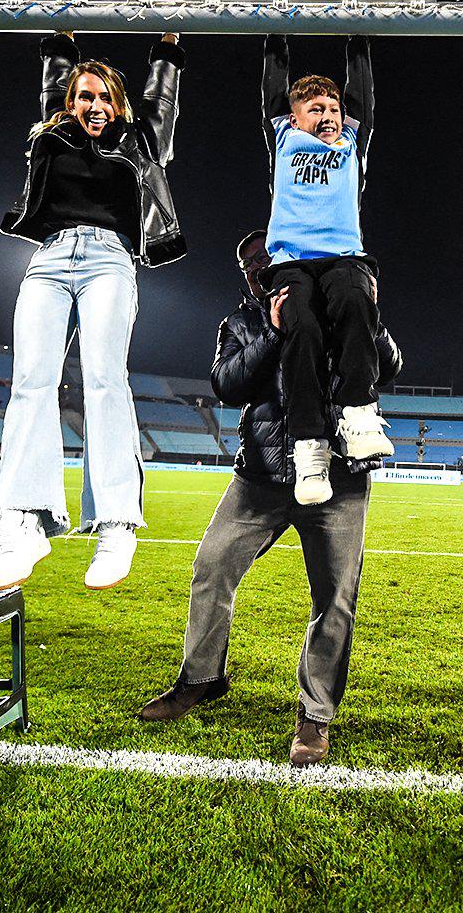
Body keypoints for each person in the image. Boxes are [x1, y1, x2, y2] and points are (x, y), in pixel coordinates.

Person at [139, 230, 401, 767]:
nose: (258, 268)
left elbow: (390, 366)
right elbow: (228, 385)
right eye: (248, 263)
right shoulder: (237, 323)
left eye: (266, 258)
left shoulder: (335, 301)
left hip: (340, 477)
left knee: (335, 599)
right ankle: (202, 678)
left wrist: (369, 316)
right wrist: (275, 334)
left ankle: (316, 715)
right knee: (212, 567)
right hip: (259, 476)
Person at [0, 0, 187, 592]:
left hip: (108, 261)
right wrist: (60, 27)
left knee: (104, 379)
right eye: (84, 96)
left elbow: (161, 95)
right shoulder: (53, 134)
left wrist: (170, 35)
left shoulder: (142, 138)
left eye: (104, 97)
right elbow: (53, 78)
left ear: (119, 105)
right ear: (70, 102)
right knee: (31, 383)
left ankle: (116, 523)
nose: (94, 104)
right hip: (48, 259)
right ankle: (21, 525)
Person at [258, 35, 393, 507]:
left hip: (344, 256)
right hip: (291, 261)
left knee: (358, 303)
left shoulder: (354, 139)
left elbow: (363, 95)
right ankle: (309, 448)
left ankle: (358, 410)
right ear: (293, 116)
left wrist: (358, 37)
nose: (328, 115)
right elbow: (273, 84)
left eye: (333, 107)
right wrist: (277, 33)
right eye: (315, 108)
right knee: (302, 333)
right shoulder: (283, 135)